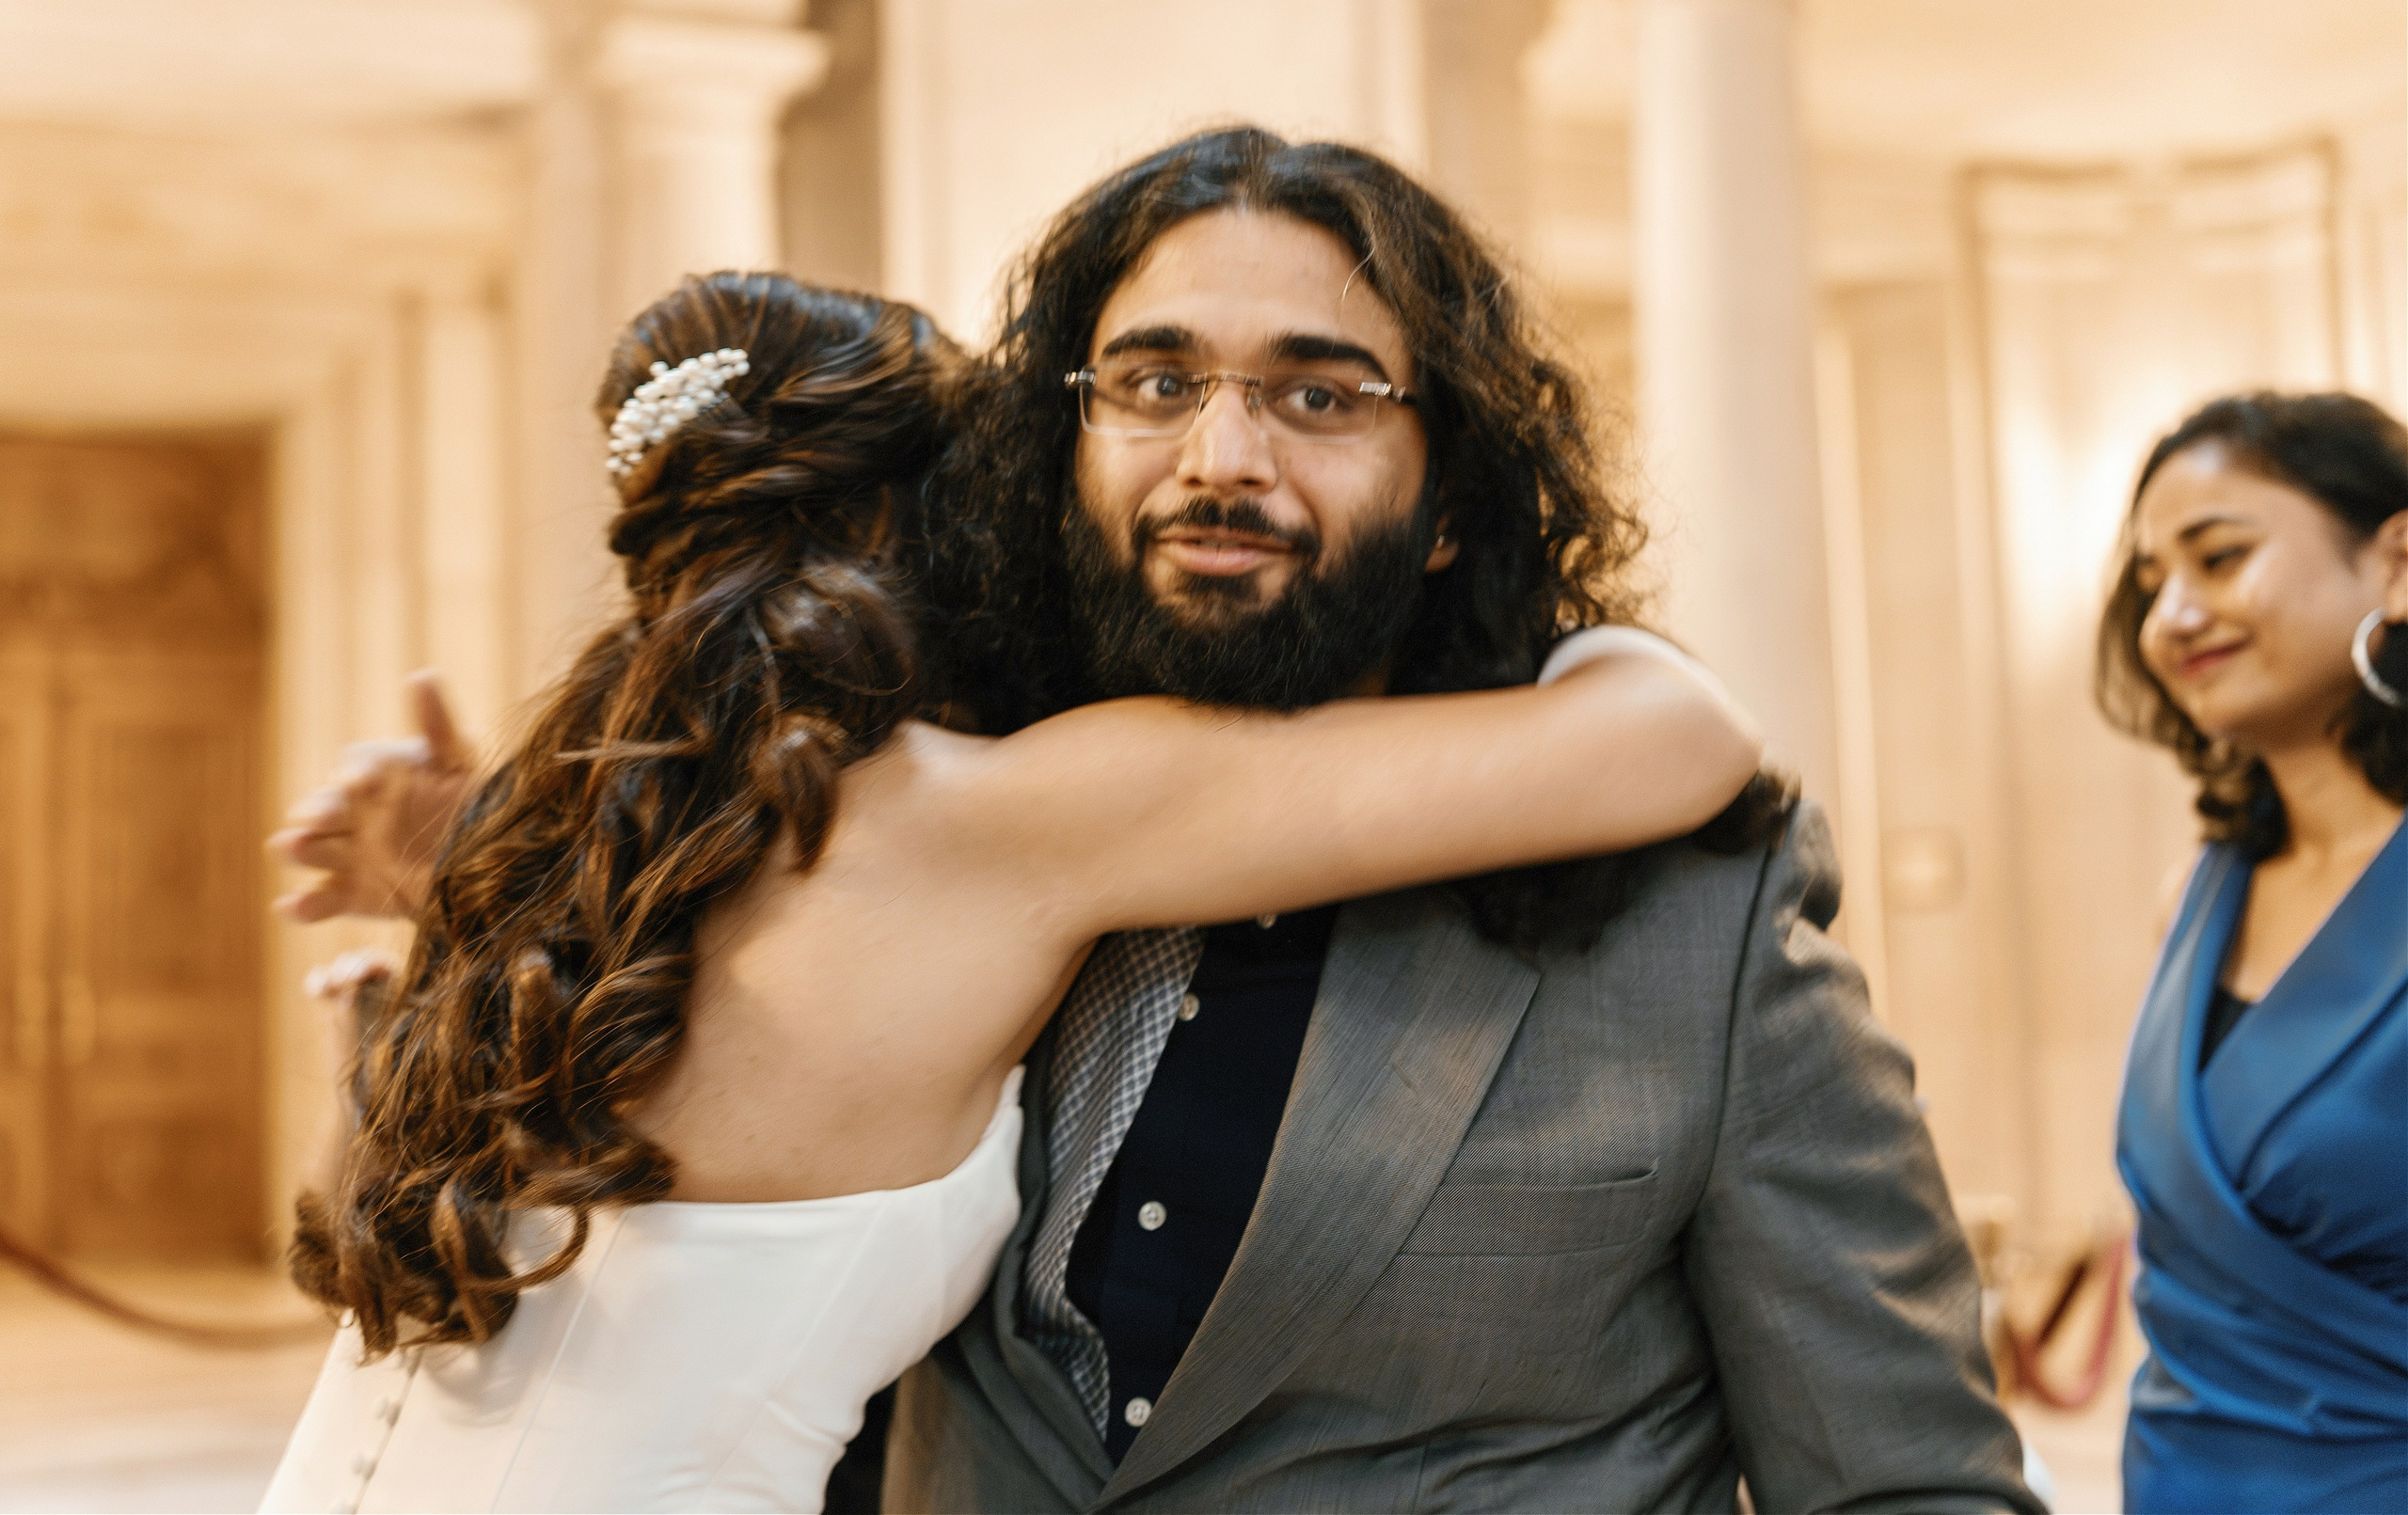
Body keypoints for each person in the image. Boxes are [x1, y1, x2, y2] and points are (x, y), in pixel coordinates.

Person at [285, 129, 2037, 1514]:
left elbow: (1904, 1482)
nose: (1222, 455)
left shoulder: (1696, 923)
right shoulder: (922, 823)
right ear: (1045, 462)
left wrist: (513, 866)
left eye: (1321, 393)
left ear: (1455, 508)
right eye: (1151, 381)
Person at [2098, 390, 2408, 1514]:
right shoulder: (2192, 895)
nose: (2174, 613)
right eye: (2149, 583)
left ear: (2396, 562)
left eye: (2219, 558)